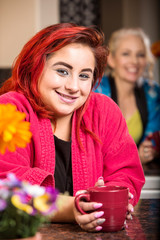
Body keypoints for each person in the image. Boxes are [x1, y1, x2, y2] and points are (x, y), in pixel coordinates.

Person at [0, 23, 145, 232]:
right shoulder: (10, 108)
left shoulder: (104, 111)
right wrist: (75, 209)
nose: (73, 87)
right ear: (35, 67)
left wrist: (116, 198)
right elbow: (7, 185)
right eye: (62, 71)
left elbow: (126, 173)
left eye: (84, 75)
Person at [94, 28, 160, 165]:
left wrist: (149, 151)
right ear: (111, 59)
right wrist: (133, 158)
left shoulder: (152, 93)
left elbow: (153, 137)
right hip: (96, 173)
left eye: (140, 55)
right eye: (126, 54)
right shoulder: (94, 90)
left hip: (135, 174)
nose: (134, 61)